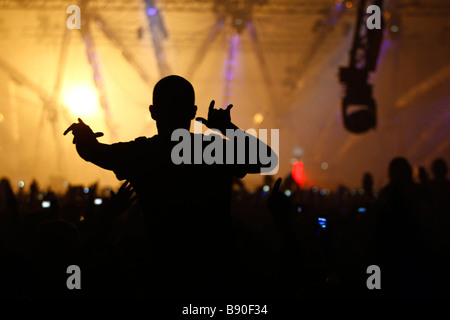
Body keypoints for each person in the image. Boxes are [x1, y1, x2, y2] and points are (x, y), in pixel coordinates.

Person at [64, 75, 278, 299]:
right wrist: (227, 127)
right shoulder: (212, 150)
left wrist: (83, 135)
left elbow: (92, 153)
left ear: (153, 111)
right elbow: (266, 159)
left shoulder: (142, 154)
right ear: (193, 112)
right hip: (220, 278)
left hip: (169, 280)